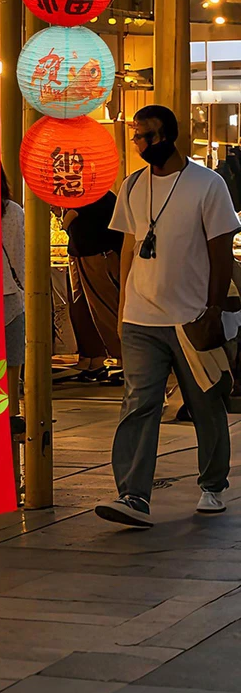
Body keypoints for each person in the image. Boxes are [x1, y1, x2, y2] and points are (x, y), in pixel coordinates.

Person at [96, 105, 240, 528]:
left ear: (168, 136)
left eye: (147, 136)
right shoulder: (133, 185)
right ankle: (132, 495)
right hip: (142, 316)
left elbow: (220, 252)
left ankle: (213, 485)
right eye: (137, 136)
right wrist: (123, 309)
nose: (140, 144)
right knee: (139, 403)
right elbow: (128, 248)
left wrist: (212, 311)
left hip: (191, 314)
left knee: (204, 402)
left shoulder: (207, 184)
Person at [63, 191, 124, 383]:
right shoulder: (102, 196)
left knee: (104, 309)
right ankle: (95, 358)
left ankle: (124, 359)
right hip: (87, 254)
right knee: (86, 310)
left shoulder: (92, 196)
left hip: (97, 255)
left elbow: (68, 220)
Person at [0, 168, 25, 397]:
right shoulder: (12, 211)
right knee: (10, 365)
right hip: (8, 294)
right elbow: (21, 257)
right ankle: (10, 417)